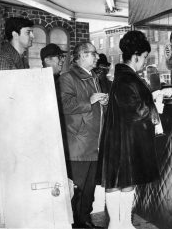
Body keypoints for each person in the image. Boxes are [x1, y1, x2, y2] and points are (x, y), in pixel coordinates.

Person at [96, 30, 160, 229]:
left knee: (123, 181)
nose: (144, 62)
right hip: (124, 139)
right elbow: (135, 110)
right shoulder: (127, 78)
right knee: (119, 182)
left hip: (120, 137)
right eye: (144, 58)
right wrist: (155, 102)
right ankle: (117, 224)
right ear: (136, 56)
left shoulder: (123, 76)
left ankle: (123, 223)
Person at [57, 42, 108, 228]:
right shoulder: (67, 78)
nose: (97, 57)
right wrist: (91, 100)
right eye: (93, 54)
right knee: (77, 191)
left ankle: (85, 221)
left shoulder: (93, 77)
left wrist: (102, 103)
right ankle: (76, 224)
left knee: (89, 190)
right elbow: (64, 105)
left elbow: (91, 106)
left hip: (93, 143)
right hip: (78, 145)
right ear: (81, 56)